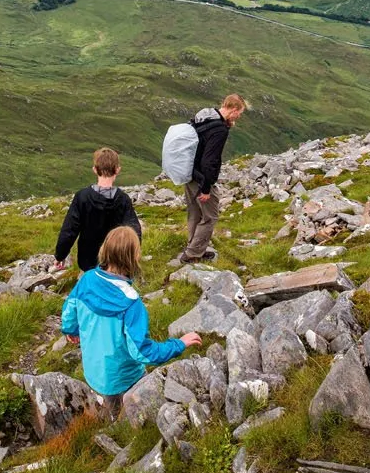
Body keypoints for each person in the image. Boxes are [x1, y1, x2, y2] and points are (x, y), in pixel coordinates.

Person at [61, 226, 200, 417]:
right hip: (125, 379)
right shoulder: (130, 302)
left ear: (105, 250)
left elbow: (69, 311)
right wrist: (179, 344)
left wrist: (71, 330)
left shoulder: (87, 279)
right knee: (130, 418)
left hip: (94, 371)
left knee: (108, 411)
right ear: (133, 258)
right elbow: (142, 352)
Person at [179, 94, 246, 264]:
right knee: (210, 216)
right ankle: (193, 253)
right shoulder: (219, 130)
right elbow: (210, 161)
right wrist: (206, 187)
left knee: (194, 212)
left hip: (189, 172)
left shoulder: (206, 116)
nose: (239, 117)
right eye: (240, 113)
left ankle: (194, 247)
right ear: (233, 109)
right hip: (201, 178)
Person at [54, 147, 142, 272]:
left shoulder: (82, 197)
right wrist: (132, 258)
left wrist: (60, 255)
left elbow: (69, 230)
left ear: (95, 169)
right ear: (117, 170)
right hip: (116, 264)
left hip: (87, 263)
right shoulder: (123, 199)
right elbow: (134, 230)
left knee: (90, 289)